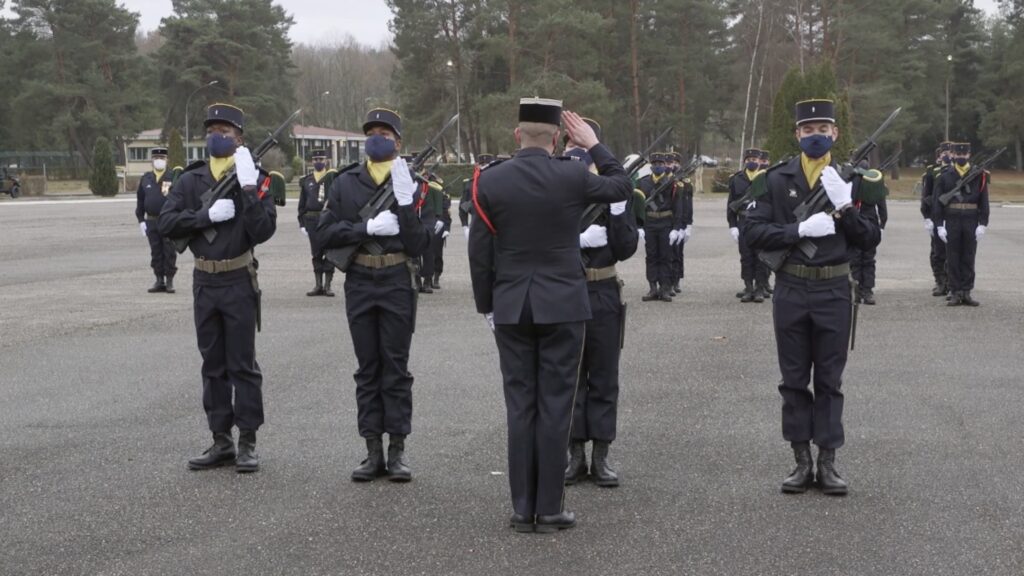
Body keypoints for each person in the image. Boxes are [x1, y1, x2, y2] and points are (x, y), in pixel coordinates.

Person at [468, 100, 632, 533]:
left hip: (512, 306)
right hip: (563, 304)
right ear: (559, 137)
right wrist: (595, 146)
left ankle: (523, 510)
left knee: (520, 406)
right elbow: (620, 186)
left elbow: (480, 250)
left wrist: (487, 305)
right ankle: (550, 507)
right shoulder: (574, 174)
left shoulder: (489, 180)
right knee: (556, 406)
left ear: (517, 135)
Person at [744, 99, 883, 496]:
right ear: (797, 134)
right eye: (808, 130)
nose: (816, 135)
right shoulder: (773, 179)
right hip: (791, 288)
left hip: (834, 289)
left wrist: (845, 206)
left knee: (829, 380)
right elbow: (754, 232)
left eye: (823, 128)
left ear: (835, 133)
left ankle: (828, 461)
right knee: (792, 379)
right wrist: (800, 229)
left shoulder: (854, 180)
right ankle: (800, 461)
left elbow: (871, 237)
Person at [158, 103, 277, 473]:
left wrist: (247, 189)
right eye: (212, 130)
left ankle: (248, 441)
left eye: (225, 131)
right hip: (204, 280)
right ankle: (220, 439)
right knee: (212, 364)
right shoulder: (192, 179)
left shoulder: (254, 177)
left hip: (238, 279)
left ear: (240, 138)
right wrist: (204, 216)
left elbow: (263, 230)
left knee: (243, 364)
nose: (216, 136)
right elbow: (167, 222)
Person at [317, 108, 430, 482]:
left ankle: (397, 450)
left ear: (398, 141)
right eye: (372, 132)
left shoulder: (412, 181)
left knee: (395, 367)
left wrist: (404, 204)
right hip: (361, 278)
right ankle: (371, 450)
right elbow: (325, 233)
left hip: (397, 278)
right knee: (367, 368)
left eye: (385, 132)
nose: (377, 138)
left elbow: (418, 243)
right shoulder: (345, 183)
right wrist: (365, 226)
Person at [562, 119, 638, 489]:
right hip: (567, 290)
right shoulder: (557, 189)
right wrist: (575, 240)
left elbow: (625, 249)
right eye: (570, 146)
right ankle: (575, 454)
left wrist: (621, 212)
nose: (576, 152)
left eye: (582, 146)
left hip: (604, 288)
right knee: (572, 375)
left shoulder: (613, 191)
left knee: (605, 375)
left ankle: (602, 455)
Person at [933, 142, 989, 307]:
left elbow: (984, 200)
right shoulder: (945, 175)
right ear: (953, 155)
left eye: (964, 155)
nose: (961, 157)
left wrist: (983, 223)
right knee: (953, 257)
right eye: (958, 155)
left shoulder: (978, 175)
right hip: (952, 219)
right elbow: (938, 201)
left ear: (969, 155)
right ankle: (955, 291)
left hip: (971, 219)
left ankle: (966, 291)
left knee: (969, 256)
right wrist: (939, 224)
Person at [637, 153, 682, 302]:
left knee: (666, 257)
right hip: (649, 224)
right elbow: (637, 206)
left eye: (660, 164)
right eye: (655, 164)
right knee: (651, 257)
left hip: (665, 224)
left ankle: (665, 288)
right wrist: (639, 226)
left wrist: (676, 228)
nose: (657, 166)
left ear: (665, 165)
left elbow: (678, 207)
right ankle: (652, 288)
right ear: (651, 166)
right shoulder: (642, 183)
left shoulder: (672, 183)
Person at [135, 147, 180, 293]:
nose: (159, 161)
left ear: (167, 160)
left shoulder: (173, 176)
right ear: (151, 161)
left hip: (168, 220)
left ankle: (170, 281)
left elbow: (180, 198)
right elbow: (140, 200)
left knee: (169, 251)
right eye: (156, 158)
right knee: (156, 251)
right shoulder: (146, 178)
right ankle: (159, 280)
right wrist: (141, 219)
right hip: (152, 221)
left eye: (162, 158)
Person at [727, 148, 767, 303]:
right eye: (749, 159)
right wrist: (732, 225)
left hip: (760, 222)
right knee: (746, 256)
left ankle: (759, 288)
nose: (752, 162)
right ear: (745, 161)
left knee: (760, 257)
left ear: (759, 161)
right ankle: (748, 287)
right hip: (743, 222)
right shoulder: (737, 179)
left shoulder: (765, 178)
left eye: (755, 160)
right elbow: (731, 204)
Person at [297, 150, 336, 297]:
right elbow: (302, 204)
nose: (318, 161)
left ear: (326, 160)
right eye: (315, 159)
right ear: (311, 162)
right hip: (312, 220)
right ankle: (318, 285)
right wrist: (302, 223)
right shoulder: (307, 180)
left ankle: (328, 286)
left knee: (330, 252)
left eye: (321, 159)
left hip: (328, 220)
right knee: (316, 253)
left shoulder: (332, 178)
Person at [921, 143, 952, 297]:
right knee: (938, 252)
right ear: (939, 155)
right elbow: (926, 196)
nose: (947, 155)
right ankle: (940, 281)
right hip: (936, 214)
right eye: (944, 152)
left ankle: (952, 282)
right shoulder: (932, 171)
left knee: (953, 252)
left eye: (950, 152)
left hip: (953, 215)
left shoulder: (958, 171)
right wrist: (926, 217)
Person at [850, 186, 888, 305]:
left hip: (861, 224)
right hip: (865, 223)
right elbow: (883, 209)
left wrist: (882, 225)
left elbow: (882, 207)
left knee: (861, 259)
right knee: (864, 259)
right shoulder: (871, 185)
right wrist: (882, 225)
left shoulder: (855, 185)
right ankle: (863, 290)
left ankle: (862, 290)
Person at [667, 151, 693, 295]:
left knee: (677, 253)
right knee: (668, 253)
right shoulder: (667, 180)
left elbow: (688, 205)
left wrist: (688, 225)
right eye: (672, 162)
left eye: (677, 162)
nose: (674, 165)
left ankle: (676, 280)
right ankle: (667, 281)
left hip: (681, 221)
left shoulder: (685, 182)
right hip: (668, 221)